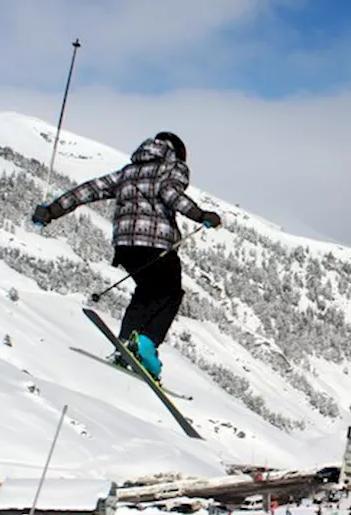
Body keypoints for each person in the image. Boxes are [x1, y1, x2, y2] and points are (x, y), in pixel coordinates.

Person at [31, 131, 222, 380]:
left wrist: (51, 211)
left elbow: (88, 190)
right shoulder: (172, 167)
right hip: (156, 242)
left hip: (125, 245)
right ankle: (146, 345)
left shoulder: (127, 172)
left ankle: (126, 345)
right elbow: (169, 193)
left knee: (145, 292)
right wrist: (200, 214)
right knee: (171, 293)